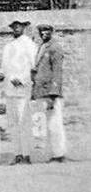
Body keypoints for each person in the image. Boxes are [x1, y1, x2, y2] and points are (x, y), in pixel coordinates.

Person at [0, 19, 37, 164]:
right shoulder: (8, 46)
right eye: (14, 26)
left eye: (19, 26)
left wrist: (23, 80)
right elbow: (4, 66)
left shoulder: (30, 45)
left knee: (23, 121)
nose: (16, 28)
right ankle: (17, 153)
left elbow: (33, 67)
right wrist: (1, 74)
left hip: (22, 88)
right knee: (13, 122)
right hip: (9, 88)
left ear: (24, 27)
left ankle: (26, 154)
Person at [31, 24, 67, 163]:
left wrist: (53, 94)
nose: (43, 33)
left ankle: (59, 154)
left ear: (52, 32)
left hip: (50, 92)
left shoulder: (55, 48)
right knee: (42, 124)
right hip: (40, 91)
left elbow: (57, 72)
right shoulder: (42, 47)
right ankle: (50, 153)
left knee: (54, 123)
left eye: (46, 31)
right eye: (41, 31)